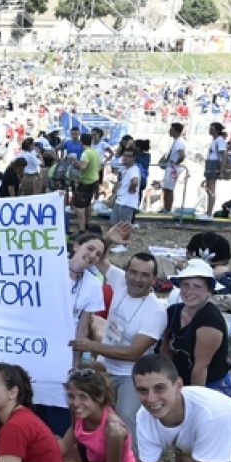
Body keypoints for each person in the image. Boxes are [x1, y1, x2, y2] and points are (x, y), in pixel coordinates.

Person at [70, 252, 167, 437]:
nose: (137, 279)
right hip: (105, 366)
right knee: (82, 403)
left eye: (145, 275)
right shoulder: (121, 280)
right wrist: (108, 239)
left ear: (154, 279)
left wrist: (91, 346)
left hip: (131, 374)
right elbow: (95, 256)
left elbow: (133, 353)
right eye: (133, 272)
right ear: (126, 271)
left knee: (125, 415)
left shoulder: (156, 311)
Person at [161, 260, 231, 396]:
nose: (190, 292)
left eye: (197, 286)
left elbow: (201, 368)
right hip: (179, 378)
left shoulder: (210, 322)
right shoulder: (173, 311)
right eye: (185, 285)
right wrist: (169, 380)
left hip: (208, 384)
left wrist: (193, 400)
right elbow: (165, 349)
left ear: (208, 290)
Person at [67, 234, 108, 366]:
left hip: (67, 341)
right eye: (90, 248)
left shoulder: (94, 284)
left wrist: (75, 363)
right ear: (76, 246)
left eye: (98, 254)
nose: (92, 255)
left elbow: (83, 326)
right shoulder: (52, 269)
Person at [110, 147, 142, 225]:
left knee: (123, 228)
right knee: (114, 225)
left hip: (127, 203)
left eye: (128, 156)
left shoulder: (134, 169)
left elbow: (135, 181)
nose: (125, 158)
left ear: (134, 158)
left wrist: (132, 188)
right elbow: (118, 179)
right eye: (124, 155)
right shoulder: (123, 168)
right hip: (119, 201)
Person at [160, 122, 186, 213]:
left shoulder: (180, 142)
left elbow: (182, 155)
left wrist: (175, 163)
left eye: (171, 130)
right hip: (170, 168)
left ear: (176, 131)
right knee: (165, 188)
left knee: (169, 189)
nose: (169, 131)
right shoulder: (175, 141)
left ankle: (168, 208)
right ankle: (165, 207)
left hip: (173, 169)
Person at [202, 122, 227, 218]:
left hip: (214, 165)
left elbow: (223, 155)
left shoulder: (220, 140)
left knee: (211, 189)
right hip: (210, 164)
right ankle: (208, 211)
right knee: (208, 189)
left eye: (212, 129)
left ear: (216, 130)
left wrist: (221, 171)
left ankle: (209, 212)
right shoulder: (214, 140)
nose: (210, 130)